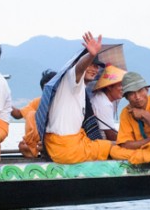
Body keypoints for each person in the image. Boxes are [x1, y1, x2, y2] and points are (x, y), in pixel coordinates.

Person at [38, 32, 122, 164]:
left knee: (110, 145)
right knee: (116, 147)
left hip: (64, 145)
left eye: (96, 66)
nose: (94, 69)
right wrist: (91, 55)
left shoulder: (81, 90)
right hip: (67, 148)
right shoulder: (71, 79)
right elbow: (78, 69)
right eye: (91, 65)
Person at [10, 69, 57, 158]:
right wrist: (4, 102)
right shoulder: (39, 102)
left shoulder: (65, 103)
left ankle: (43, 148)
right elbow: (18, 114)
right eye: (46, 90)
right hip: (43, 140)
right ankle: (31, 148)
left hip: (59, 138)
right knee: (31, 114)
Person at [89, 64, 126, 141]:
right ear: (109, 87)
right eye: (120, 85)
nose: (123, 89)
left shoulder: (101, 98)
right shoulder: (104, 104)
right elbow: (110, 135)